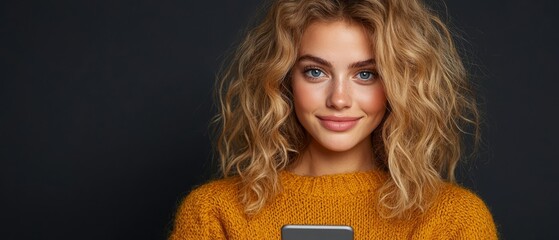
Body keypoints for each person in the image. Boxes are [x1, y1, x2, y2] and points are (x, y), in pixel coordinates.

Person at [170, 0, 498, 239]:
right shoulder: (214, 215)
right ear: (284, 80)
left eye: (366, 74)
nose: (338, 99)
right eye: (315, 72)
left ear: (399, 84)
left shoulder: (453, 221)